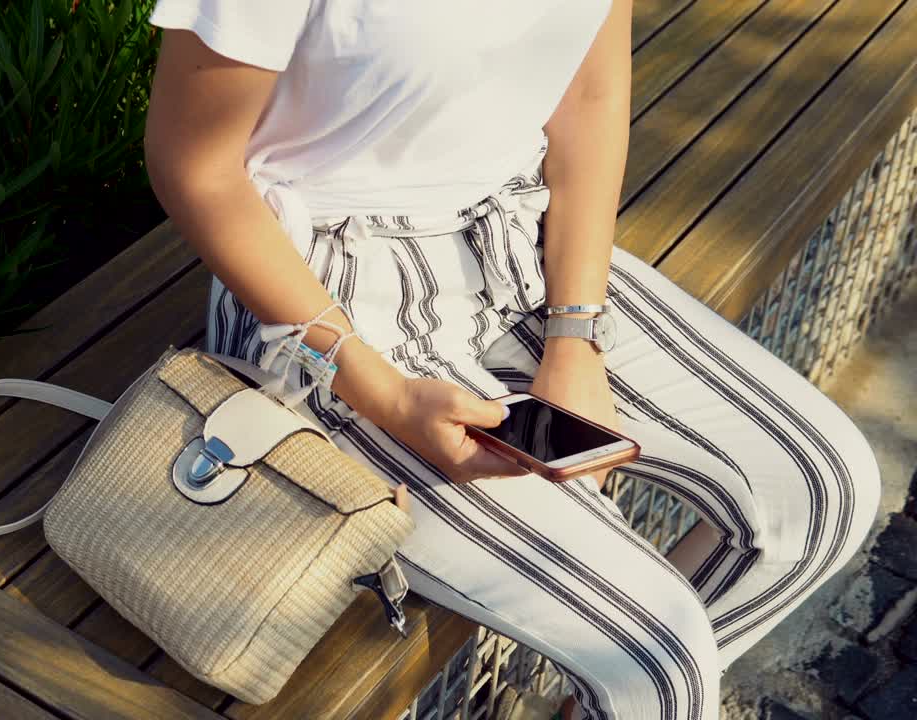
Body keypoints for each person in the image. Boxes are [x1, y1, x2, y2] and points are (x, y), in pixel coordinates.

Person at [141, 2, 882, 718]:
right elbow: (195, 166)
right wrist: (388, 398)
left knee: (823, 496)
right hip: (326, 303)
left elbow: (590, 94)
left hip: (520, 245)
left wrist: (576, 335)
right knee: (659, 656)